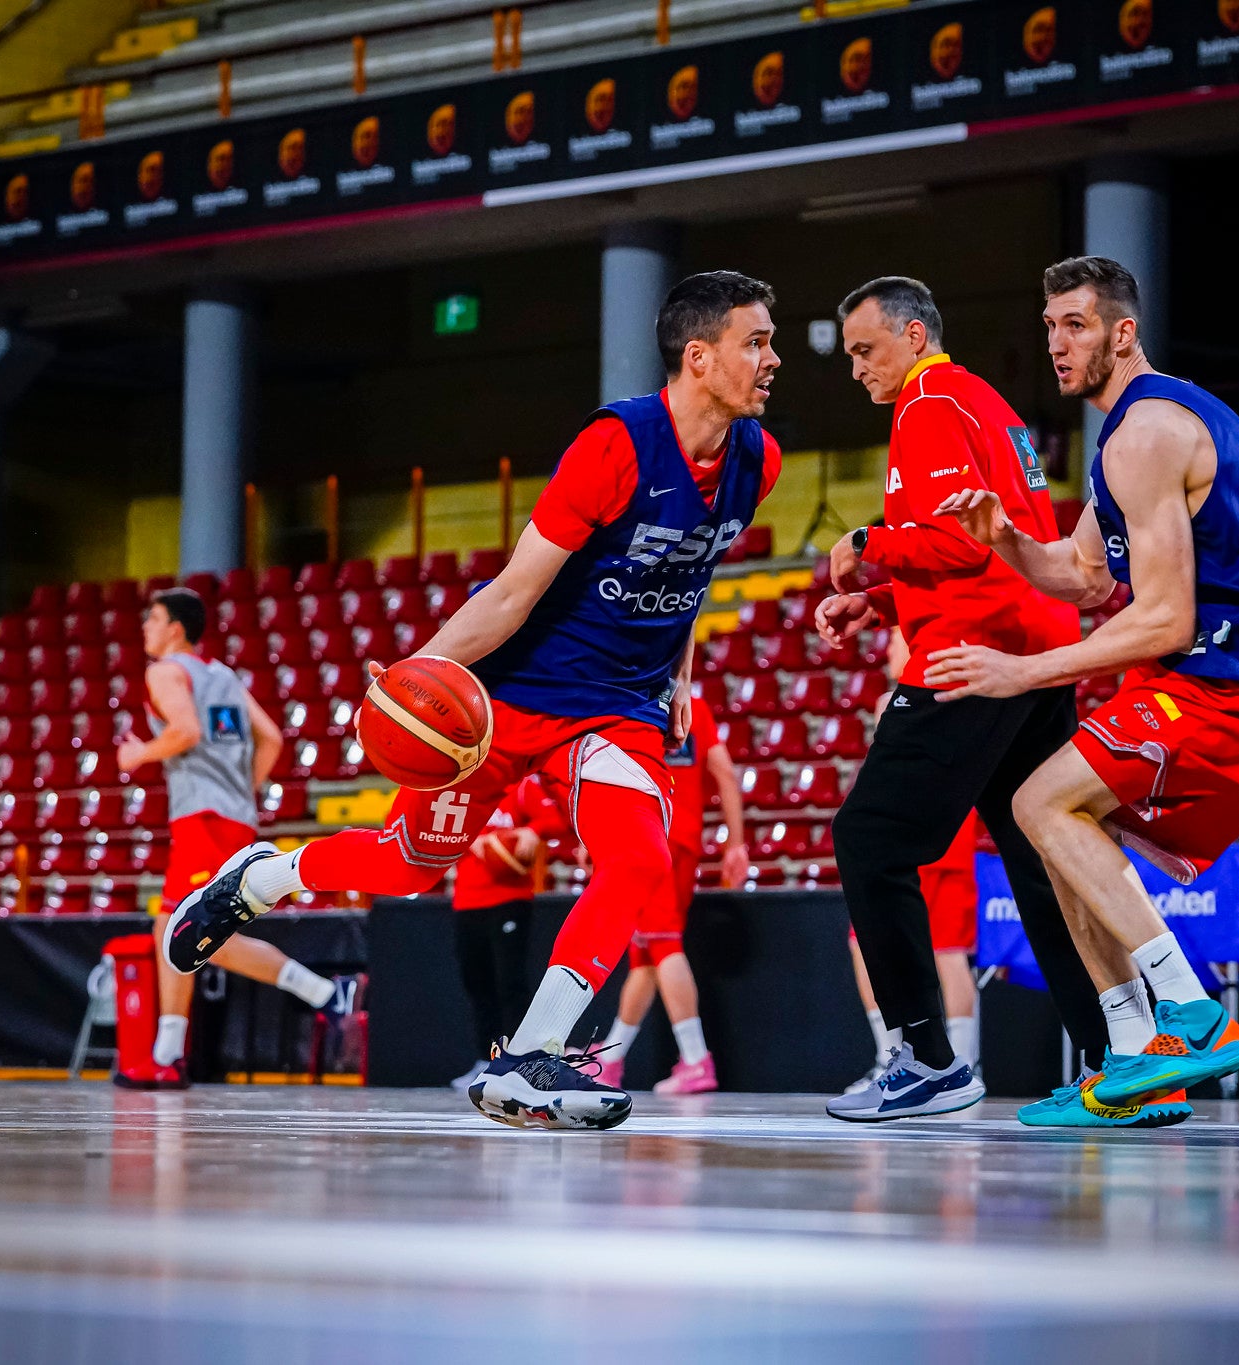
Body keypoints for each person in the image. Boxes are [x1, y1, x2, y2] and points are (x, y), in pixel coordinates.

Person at [165, 271, 785, 1130]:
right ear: (698, 355)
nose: (774, 358)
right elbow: (509, 594)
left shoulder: (760, 457)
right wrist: (409, 675)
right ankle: (262, 878)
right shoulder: (614, 447)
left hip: (618, 707)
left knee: (639, 858)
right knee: (406, 866)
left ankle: (529, 1056)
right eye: (756, 342)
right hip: (509, 697)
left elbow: (691, 569)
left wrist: (678, 672)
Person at [930, 254, 1239, 1128]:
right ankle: (1133, 1062)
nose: (1055, 342)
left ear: (1123, 331)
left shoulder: (1146, 435)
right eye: (1048, 325)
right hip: (1235, 670)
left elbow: (1160, 620)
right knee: (1055, 828)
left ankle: (1190, 1012)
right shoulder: (1127, 432)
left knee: (1040, 800)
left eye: (1074, 324)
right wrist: (1006, 537)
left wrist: (1019, 672)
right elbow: (1083, 577)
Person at [813, 276, 1104, 1123]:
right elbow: (987, 536)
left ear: (911, 335)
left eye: (866, 350)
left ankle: (928, 1058)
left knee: (868, 838)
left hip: (977, 656)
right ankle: (1113, 1056)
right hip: (1038, 649)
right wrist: (885, 598)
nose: (858, 368)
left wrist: (865, 547)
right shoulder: (986, 400)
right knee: (1038, 861)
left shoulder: (928, 401)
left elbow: (957, 543)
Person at [116, 588, 352, 1090]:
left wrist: (139, 755)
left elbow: (185, 731)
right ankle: (168, 1053)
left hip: (201, 815)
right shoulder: (223, 675)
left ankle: (322, 994)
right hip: (234, 816)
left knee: (196, 930)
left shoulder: (164, 671)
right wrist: (244, 789)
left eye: (153, 620)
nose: (146, 629)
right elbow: (273, 737)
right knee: (172, 925)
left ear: (176, 627)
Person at [842, 636, 982, 1095]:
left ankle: (892, 1055)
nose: (886, 655)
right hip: (955, 830)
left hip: (908, 827)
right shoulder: (973, 686)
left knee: (871, 939)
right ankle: (963, 1061)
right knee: (949, 950)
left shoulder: (902, 696)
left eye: (896, 643)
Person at [595, 691, 748, 1095]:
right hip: (683, 842)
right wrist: (735, 841)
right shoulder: (695, 706)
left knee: (662, 943)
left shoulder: (631, 704)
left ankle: (696, 1059)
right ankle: (611, 1059)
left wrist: (596, 834)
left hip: (648, 834)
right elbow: (725, 773)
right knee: (646, 953)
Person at [447, 772, 571, 1090]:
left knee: (510, 982)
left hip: (509, 899)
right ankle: (484, 1059)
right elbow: (438, 829)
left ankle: (517, 1061)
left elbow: (557, 819)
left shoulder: (523, 785)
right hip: (467, 900)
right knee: (477, 983)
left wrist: (532, 830)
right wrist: (470, 841)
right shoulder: (462, 789)